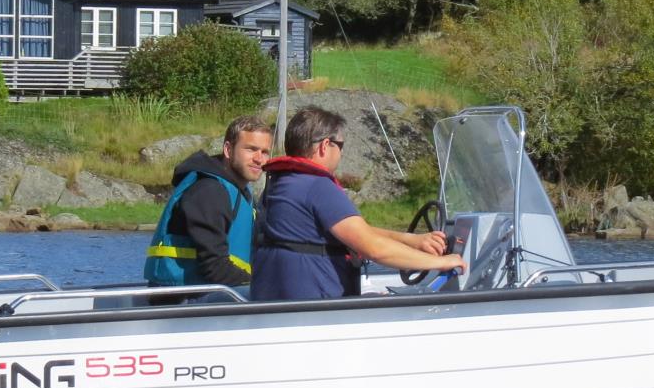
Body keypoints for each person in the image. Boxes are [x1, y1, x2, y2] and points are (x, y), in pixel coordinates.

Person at [251, 106, 464, 301]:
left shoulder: (281, 184)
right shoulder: (317, 187)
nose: (341, 153)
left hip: (283, 307)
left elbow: (354, 232)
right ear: (326, 145)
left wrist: (412, 240)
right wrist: (444, 262)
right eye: (340, 146)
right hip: (316, 314)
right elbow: (375, 249)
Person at [144, 115, 273, 292]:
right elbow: (215, 268)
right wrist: (264, 286)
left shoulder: (240, 192)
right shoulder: (208, 191)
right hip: (185, 300)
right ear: (228, 149)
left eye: (265, 152)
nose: (260, 159)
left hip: (215, 293)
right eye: (251, 149)